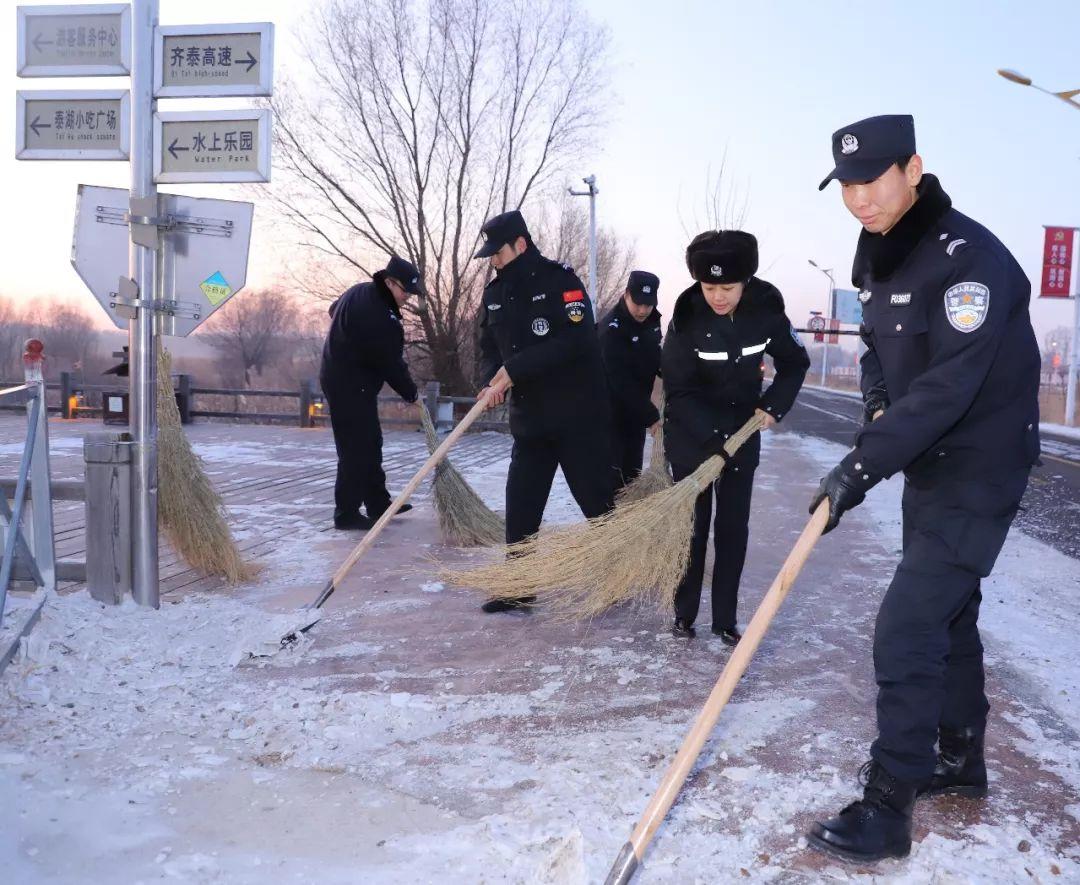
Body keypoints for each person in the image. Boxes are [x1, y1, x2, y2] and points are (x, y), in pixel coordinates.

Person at [807, 114, 1041, 863]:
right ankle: (960, 758)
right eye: (846, 186)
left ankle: (889, 803)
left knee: (905, 624)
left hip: (980, 461)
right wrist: (876, 404)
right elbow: (879, 348)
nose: (859, 200)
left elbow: (947, 387)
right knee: (948, 617)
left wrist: (861, 464)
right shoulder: (879, 251)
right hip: (929, 460)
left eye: (872, 181)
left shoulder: (969, 261)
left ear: (913, 168)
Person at [662, 230, 810, 645]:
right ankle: (684, 614)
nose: (718, 296)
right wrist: (711, 441)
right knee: (692, 530)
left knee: (732, 529)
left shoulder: (766, 310)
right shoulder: (686, 317)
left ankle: (725, 620)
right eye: (709, 287)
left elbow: (795, 362)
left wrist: (773, 405)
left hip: (742, 432)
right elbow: (679, 390)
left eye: (728, 287)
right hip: (694, 438)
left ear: (746, 280)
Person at [474, 209, 616, 612]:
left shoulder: (561, 282)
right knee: (521, 504)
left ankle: (621, 570)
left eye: (497, 253)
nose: (493, 261)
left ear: (520, 244)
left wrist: (514, 370)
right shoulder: (495, 294)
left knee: (596, 502)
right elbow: (487, 348)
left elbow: (577, 342)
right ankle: (519, 586)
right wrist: (491, 381)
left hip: (576, 417)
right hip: (530, 420)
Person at [320, 255, 423, 531]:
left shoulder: (359, 291)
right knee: (355, 448)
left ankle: (378, 503)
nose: (407, 299)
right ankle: (346, 513)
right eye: (405, 291)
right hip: (348, 384)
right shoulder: (380, 316)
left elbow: (334, 310)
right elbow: (391, 365)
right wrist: (412, 395)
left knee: (371, 441)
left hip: (348, 381)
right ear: (389, 282)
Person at [598, 271, 663, 489]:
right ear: (626, 295)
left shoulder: (653, 322)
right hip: (609, 417)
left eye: (649, 304)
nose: (643, 310)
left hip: (635, 416)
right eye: (638, 303)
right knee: (610, 482)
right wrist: (651, 415)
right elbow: (620, 382)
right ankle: (608, 523)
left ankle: (628, 521)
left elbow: (655, 359)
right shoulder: (611, 330)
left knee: (631, 478)